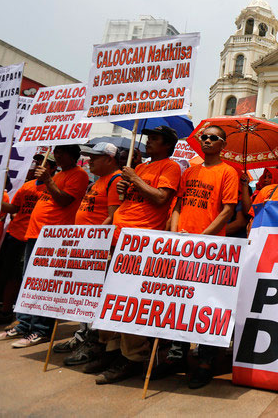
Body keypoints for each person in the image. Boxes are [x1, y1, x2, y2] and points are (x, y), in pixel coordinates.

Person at [92, 126, 181, 385]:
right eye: (148, 137)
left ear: (167, 145)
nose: (147, 142)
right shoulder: (139, 168)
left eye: (154, 139)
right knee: (110, 301)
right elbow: (130, 198)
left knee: (129, 303)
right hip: (117, 241)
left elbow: (161, 198)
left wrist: (135, 179)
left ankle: (133, 357)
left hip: (140, 246)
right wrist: (126, 186)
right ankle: (110, 350)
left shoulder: (170, 167)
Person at [0, 145, 88, 348]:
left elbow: (63, 201)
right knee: (29, 283)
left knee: (45, 285)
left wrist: (49, 180)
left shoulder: (78, 175)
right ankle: (24, 324)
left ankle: (41, 330)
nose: (57, 155)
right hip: (35, 234)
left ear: (73, 155)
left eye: (61, 152)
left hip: (54, 237)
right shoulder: (59, 175)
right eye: (57, 151)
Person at [167, 124, 239, 389]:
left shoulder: (228, 172)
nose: (206, 141)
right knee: (179, 303)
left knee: (207, 306)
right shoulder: (190, 171)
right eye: (203, 137)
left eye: (213, 138)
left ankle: (206, 362)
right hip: (182, 248)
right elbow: (178, 205)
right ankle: (177, 354)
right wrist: (175, 236)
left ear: (223, 145)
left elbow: (227, 211)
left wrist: (201, 237)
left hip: (209, 250)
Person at [54, 142, 121, 366]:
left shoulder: (116, 179)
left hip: (99, 248)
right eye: (89, 156)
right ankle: (82, 334)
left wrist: (96, 241)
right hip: (86, 246)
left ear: (110, 159)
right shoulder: (98, 181)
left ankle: (93, 344)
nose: (90, 160)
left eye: (95, 157)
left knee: (94, 297)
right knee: (83, 295)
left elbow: (114, 216)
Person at [0, 155, 56, 327]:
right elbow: (15, 208)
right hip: (14, 234)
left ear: (52, 168)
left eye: (44, 163)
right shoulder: (27, 186)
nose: (37, 166)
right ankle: (7, 311)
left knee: (24, 277)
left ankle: (20, 317)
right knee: (9, 275)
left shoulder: (54, 187)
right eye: (36, 162)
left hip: (34, 237)